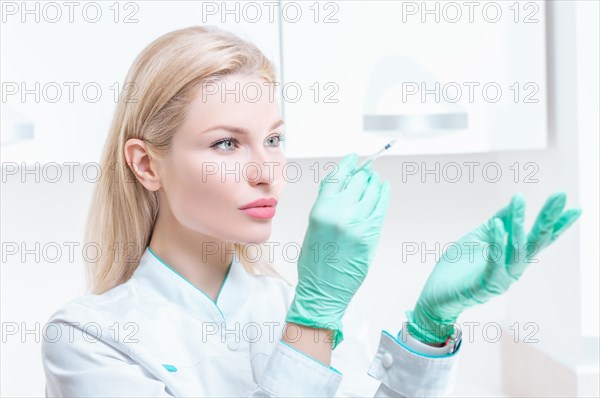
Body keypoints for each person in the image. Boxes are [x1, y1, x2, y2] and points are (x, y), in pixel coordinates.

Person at [41, 26, 582, 397]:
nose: (266, 170)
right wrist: (310, 323)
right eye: (227, 144)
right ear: (146, 165)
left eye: (274, 139)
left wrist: (428, 330)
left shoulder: (298, 303)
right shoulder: (89, 338)